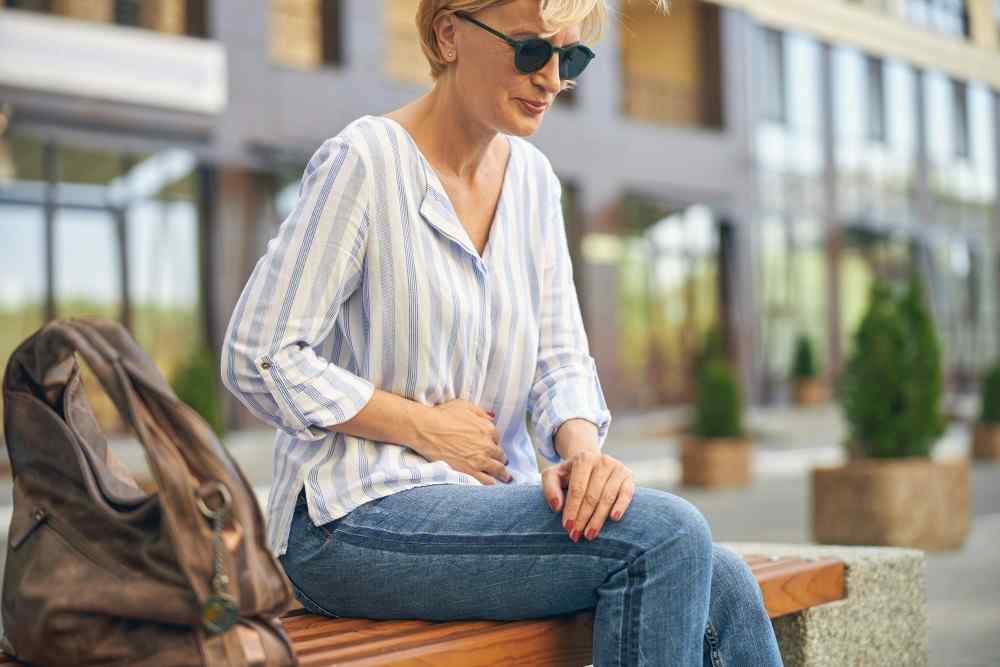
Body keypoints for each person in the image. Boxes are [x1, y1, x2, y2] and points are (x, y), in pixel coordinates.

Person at [221, 1, 783, 664]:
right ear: (448, 33)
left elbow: (559, 357)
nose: (551, 78)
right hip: (346, 519)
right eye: (529, 50)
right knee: (662, 536)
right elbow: (259, 354)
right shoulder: (364, 163)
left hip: (481, 504)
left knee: (725, 582)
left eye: (569, 58)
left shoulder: (533, 182)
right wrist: (421, 426)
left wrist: (581, 454)